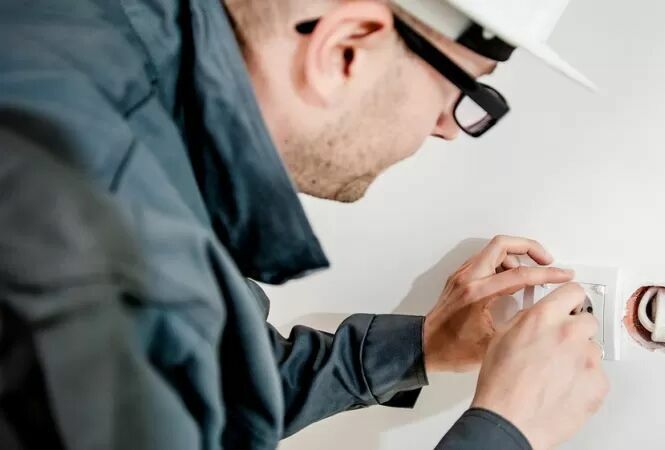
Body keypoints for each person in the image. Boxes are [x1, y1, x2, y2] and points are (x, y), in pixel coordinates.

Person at [0, 0, 609, 449]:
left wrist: (419, 347)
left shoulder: (86, 43)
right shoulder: (115, 266)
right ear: (345, 48)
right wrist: (504, 429)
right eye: (463, 93)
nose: (448, 128)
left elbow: (202, 389)